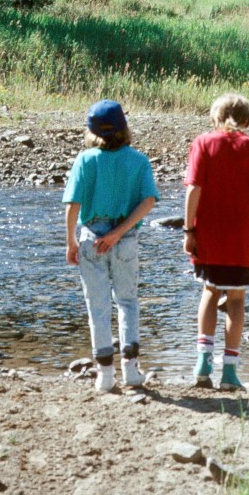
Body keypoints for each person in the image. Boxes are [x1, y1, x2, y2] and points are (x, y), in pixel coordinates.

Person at [64, 99, 158, 392]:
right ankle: (131, 370)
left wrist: (70, 241)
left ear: (91, 131)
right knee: (127, 302)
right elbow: (149, 201)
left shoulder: (85, 159)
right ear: (124, 128)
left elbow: (73, 204)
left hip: (91, 237)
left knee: (98, 306)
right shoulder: (139, 161)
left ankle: (104, 374)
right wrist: (119, 232)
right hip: (126, 239)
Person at [183, 93, 249, 390]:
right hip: (238, 235)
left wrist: (188, 230)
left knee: (209, 291)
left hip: (208, 232)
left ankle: (202, 361)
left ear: (215, 118)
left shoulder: (203, 143)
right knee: (236, 299)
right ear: (246, 120)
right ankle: (230, 372)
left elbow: (193, 189)